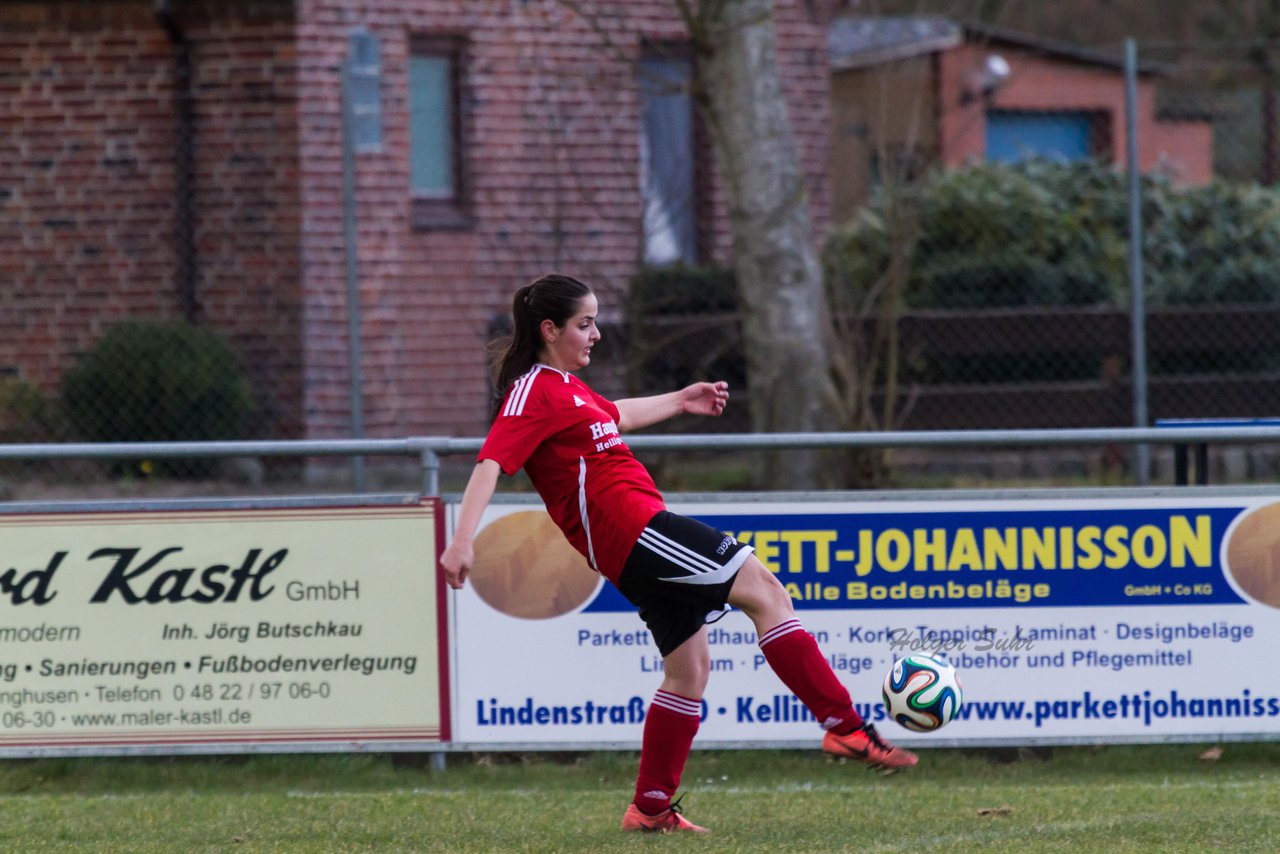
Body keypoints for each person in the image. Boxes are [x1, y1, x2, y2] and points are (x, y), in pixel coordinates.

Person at [441, 273, 916, 835]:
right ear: (550, 329)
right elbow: (491, 460)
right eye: (584, 324)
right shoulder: (532, 391)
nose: (595, 335)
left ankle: (650, 808)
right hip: (636, 530)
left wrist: (682, 400)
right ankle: (845, 725)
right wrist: (463, 538)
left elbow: (615, 415)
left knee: (687, 673)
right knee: (765, 591)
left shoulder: (566, 387)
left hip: (629, 544)